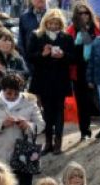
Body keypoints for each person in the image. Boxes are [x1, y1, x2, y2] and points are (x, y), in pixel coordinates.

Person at [26, 9, 72, 155]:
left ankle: (58, 142)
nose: (53, 26)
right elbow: (30, 56)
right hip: (43, 80)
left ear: (61, 24)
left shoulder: (66, 37)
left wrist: (63, 55)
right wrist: (43, 54)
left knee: (59, 110)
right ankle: (48, 142)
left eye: (56, 23)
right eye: (50, 23)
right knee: (47, 111)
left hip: (60, 79)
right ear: (45, 23)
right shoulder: (36, 36)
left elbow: (74, 57)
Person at [0, 73, 43, 185]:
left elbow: (41, 125)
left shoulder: (29, 102)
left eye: (15, 94)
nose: (12, 97)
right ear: (3, 90)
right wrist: (1, 124)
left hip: (23, 157)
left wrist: (28, 125)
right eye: (9, 94)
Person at [65, 1, 99, 142]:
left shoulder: (96, 28)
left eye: (86, 12)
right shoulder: (71, 30)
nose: (84, 15)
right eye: (80, 13)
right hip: (78, 71)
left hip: (97, 70)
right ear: (76, 15)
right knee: (82, 103)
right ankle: (85, 132)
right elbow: (68, 51)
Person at [17, 0, 47, 68]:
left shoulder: (53, 15)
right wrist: (25, 59)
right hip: (31, 63)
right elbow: (21, 40)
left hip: (49, 63)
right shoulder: (24, 16)